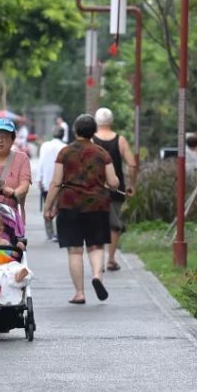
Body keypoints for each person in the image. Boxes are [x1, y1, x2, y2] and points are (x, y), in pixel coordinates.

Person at [42, 114, 119, 304]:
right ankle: (96, 277)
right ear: (94, 131)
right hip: (97, 205)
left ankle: (79, 293)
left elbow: (56, 182)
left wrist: (48, 207)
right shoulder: (102, 153)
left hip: (70, 205)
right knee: (96, 246)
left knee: (75, 251)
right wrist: (114, 184)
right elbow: (113, 183)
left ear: (75, 131)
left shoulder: (65, 152)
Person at [92, 107, 138, 272]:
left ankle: (98, 262)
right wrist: (132, 184)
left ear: (96, 122)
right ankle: (111, 260)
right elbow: (132, 164)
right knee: (114, 225)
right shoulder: (120, 140)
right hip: (116, 189)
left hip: (94, 190)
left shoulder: (90, 140)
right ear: (111, 121)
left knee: (97, 224)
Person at [37, 128, 66, 242]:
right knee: (59, 207)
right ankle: (59, 232)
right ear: (63, 135)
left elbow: (41, 162)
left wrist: (39, 178)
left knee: (47, 206)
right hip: (60, 182)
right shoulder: (65, 147)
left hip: (46, 181)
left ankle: (50, 233)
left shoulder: (45, 146)